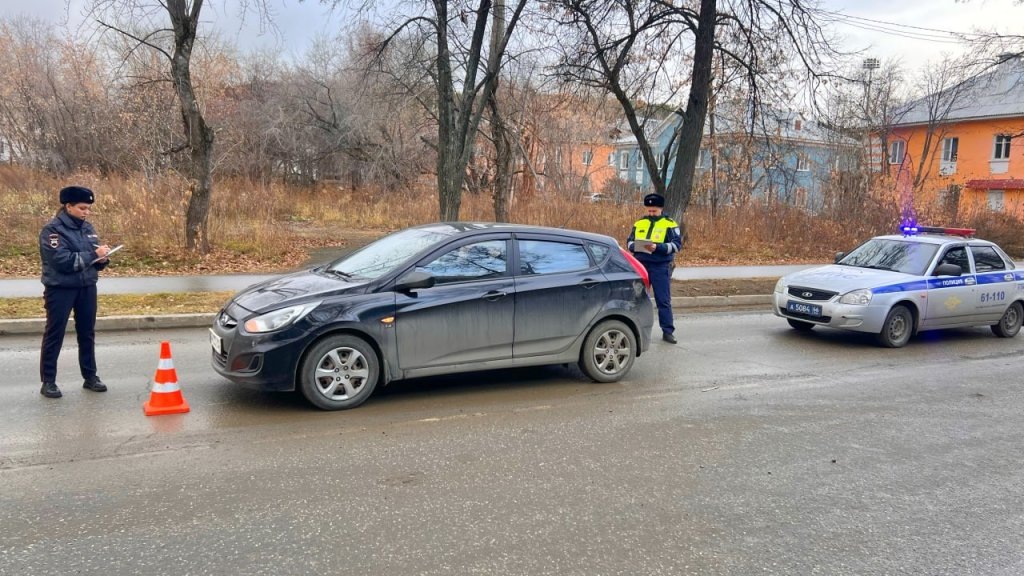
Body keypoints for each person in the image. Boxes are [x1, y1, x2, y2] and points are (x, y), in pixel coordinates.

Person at [38, 186, 113, 398]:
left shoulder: (87, 228)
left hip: (87, 287)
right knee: (55, 333)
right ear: (68, 206)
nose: (86, 212)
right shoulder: (52, 231)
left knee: (87, 333)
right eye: (82, 208)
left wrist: (102, 259)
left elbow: (92, 260)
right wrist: (92, 255)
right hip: (60, 289)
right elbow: (62, 261)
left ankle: (90, 377)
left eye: (88, 208)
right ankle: (48, 381)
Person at [627, 193, 682, 344]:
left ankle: (668, 331)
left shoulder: (670, 224)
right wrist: (636, 246)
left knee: (663, 300)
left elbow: (676, 246)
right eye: (649, 210)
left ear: (661, 209)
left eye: (654, 211)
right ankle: (635, 331)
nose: (651, 214)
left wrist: (658, 247)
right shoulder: (640, 223)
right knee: (636, 299)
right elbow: (629, 242)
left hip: (660, 266)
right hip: (641, 265)